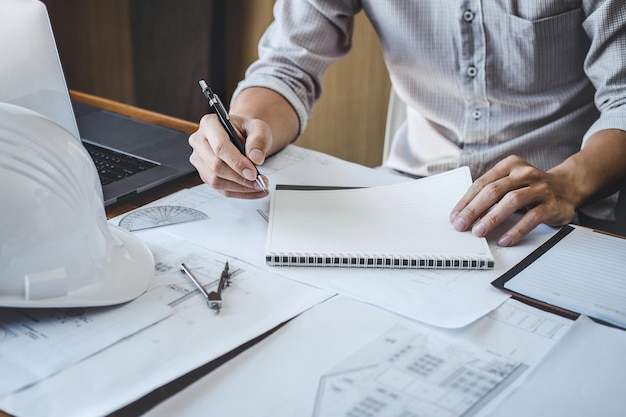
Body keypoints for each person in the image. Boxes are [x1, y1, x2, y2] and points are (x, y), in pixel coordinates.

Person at [189, 1, 626, 246]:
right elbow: (287, 66)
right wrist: (247, 124)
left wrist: (568, 183)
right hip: (411, 195)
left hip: (559, 214)